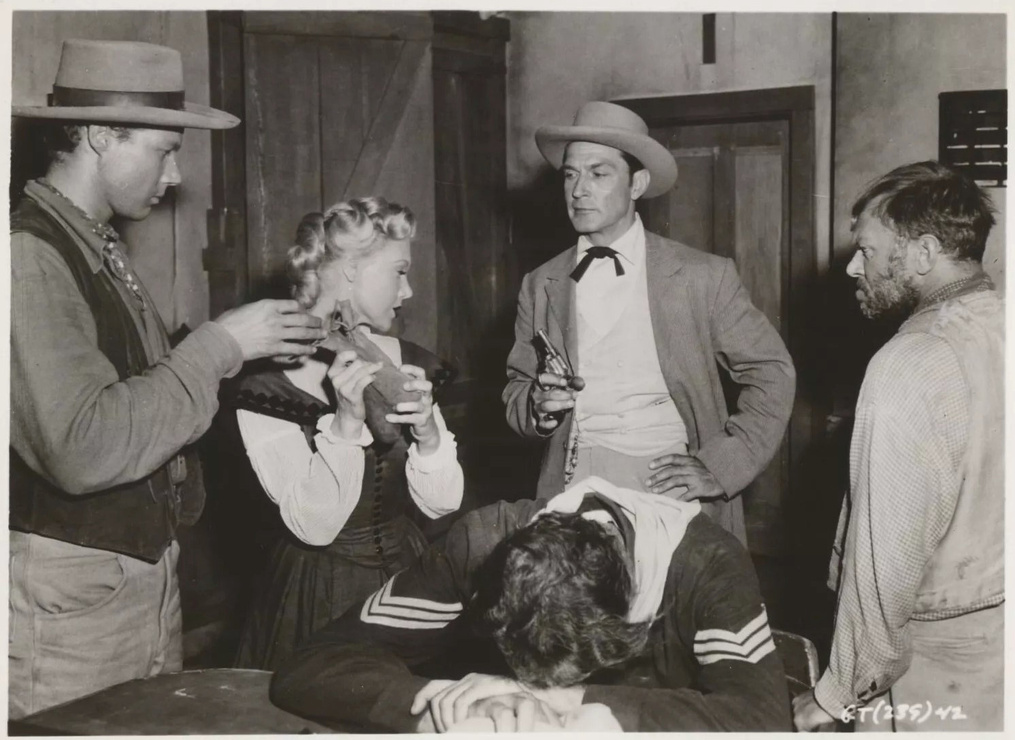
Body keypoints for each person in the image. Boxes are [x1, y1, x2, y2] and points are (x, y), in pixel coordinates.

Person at [9, 39, 327, 718]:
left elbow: (137, 388)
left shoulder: (94, 244)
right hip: (73, 602)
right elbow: (82, 446)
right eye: (164, 150)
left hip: (133, 580)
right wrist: (218, 346)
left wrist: (243, 352)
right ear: (100, 135)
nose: (175, 173)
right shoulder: (30, 257)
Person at [270, 476, 792, 732]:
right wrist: (445, 702)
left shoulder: (706, 564)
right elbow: (314, 662)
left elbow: (763, 721)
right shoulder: (481, 545)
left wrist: (567, 699)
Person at [503, 101, 795, 544]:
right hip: (572, 486)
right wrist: (539, 408)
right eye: (570, 174)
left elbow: (773, 373)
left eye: (598, 173)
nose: (578, 190)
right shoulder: (540, 283)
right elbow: (516, 392)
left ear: (637, 183)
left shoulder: (701, 276)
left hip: (668, 489)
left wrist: (720, 466)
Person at [792, 161, 1004, 732]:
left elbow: (883, 557)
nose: (852, 266)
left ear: (923, 252)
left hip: (936, 660)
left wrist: (841, 691)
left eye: (867, 249)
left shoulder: (909, 362)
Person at [223, 198, 465, 671]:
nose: (409, 289)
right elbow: (316, 527)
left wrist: (429, 435)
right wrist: (346, 425)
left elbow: (442, 503)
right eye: (399, 271)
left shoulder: (404, 358)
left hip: (408, 578)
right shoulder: (265, 382)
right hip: (320, 594)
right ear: (351, 270)